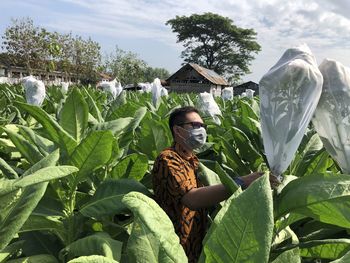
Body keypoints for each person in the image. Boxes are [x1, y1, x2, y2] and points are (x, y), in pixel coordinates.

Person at [152, 106, 278, 262]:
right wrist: (242, 182)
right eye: (195, 125)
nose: (202, 130)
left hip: (195, 242)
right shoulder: (168, 159)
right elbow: (192, 199)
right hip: (174, 243)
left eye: (203, 126)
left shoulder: (193, 161)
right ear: (178, 130)